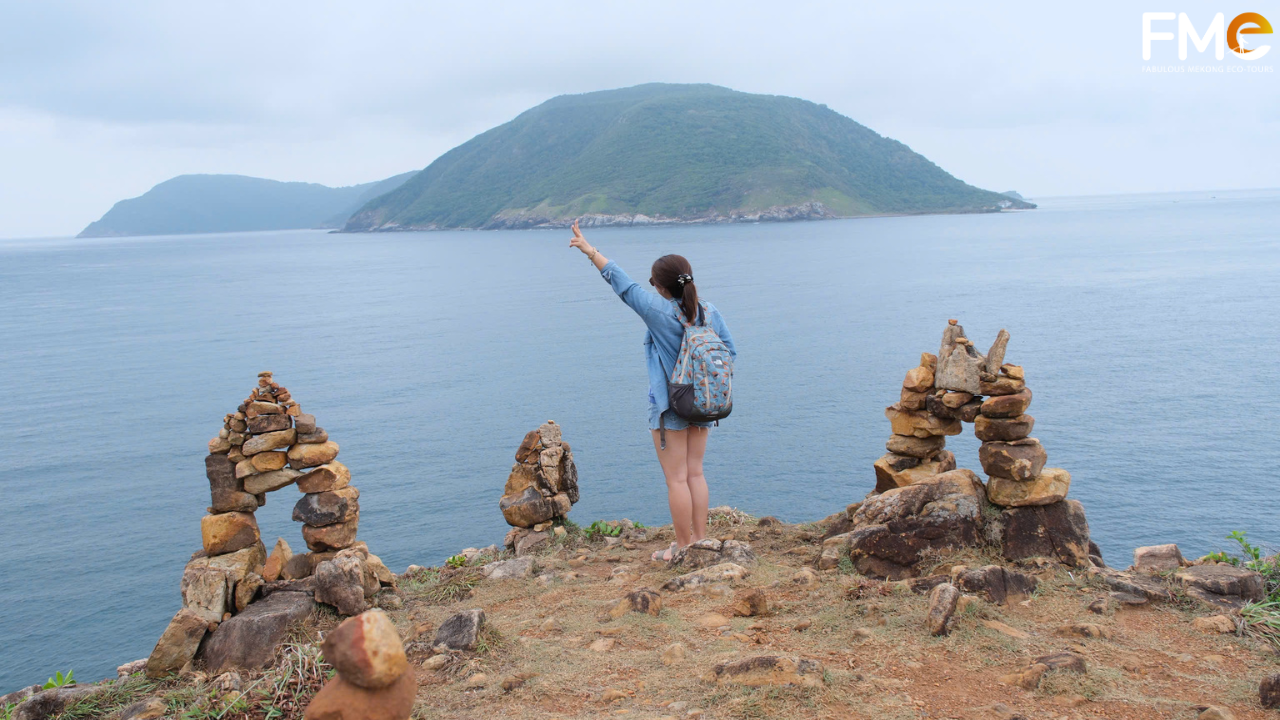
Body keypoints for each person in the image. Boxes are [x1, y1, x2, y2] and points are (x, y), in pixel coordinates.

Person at [568, 220, 737, 562]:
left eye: (653, 283)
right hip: (704, 403)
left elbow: (624, 286)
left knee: (676, 480)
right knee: (695, 473)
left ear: (660, 287)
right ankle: (701, 541)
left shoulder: (659, 311)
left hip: (670, 406)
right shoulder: (709, 311)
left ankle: (684, 549)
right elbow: (730, 353)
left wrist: (589, 250)